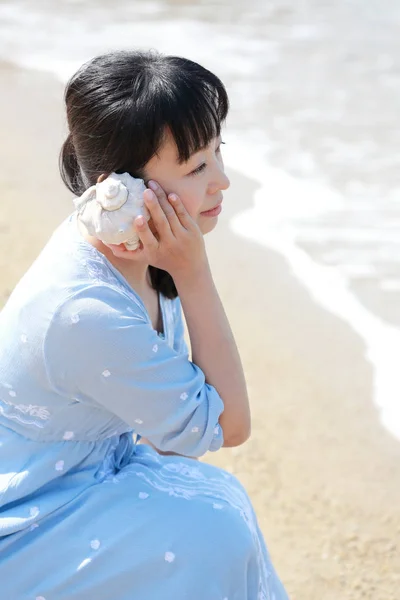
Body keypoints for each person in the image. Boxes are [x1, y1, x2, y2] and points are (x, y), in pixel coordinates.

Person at [0, 50, 289, 600]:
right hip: (28, 512)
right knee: (213, 530)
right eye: (196, 167)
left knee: (217, 505)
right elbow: (231, 426)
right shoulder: (85, 309)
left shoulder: (130, 244)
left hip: (87, 476)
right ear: (120, 188)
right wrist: (195, 272)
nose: (222, 181)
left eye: (217, 153)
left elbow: (182, 440)